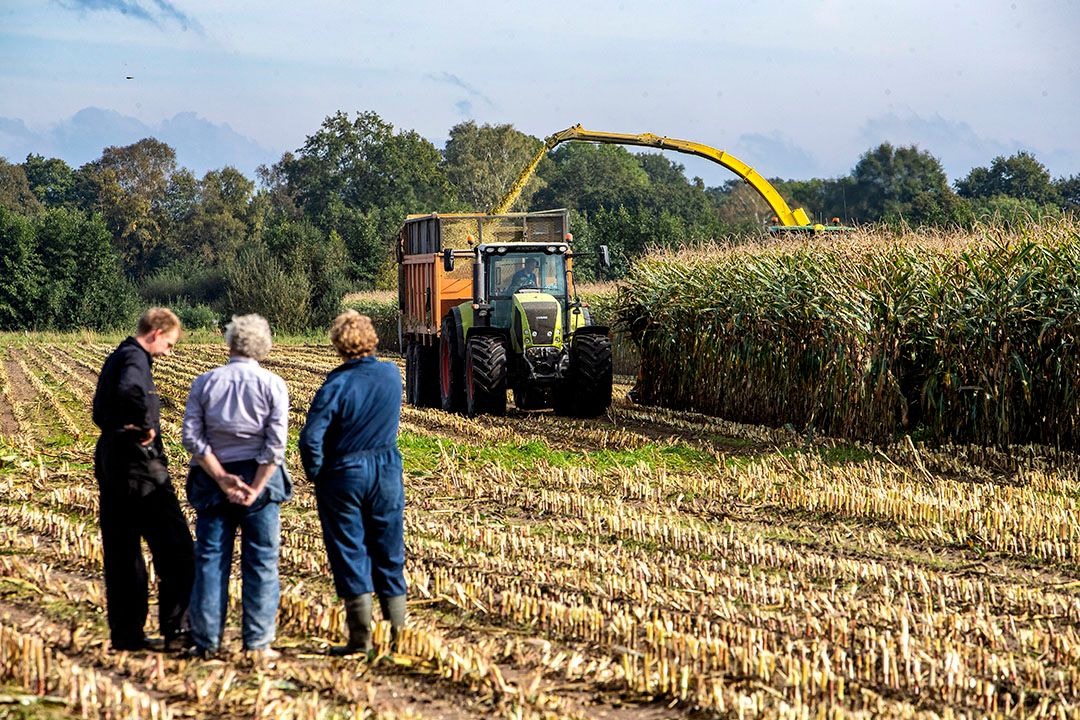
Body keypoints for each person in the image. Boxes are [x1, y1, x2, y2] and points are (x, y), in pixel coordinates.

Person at [181, 314, 291, 659]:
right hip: (261, 480)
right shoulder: (273, 384)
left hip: (215, 482)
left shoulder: (205, 382)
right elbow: (275, 446)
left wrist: (221, 477)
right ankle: (257, 643)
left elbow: (192, 438)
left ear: (230, 342)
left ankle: (206, 642)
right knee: (261, 562)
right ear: (263, 345)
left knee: (211, 560)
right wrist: (256, 487)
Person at [299, 311, 406, 656]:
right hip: (387, 468)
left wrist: (317, 473)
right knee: (389, 547)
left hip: (344, 472)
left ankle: (360, 639)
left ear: (338, 344)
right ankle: (399, 636)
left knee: (349, 550)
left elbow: (311, 438)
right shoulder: (392, 374)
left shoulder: (336, 384)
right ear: (371, 338)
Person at [92, 307, 195, 652]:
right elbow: (131, 391)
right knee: (176, 548)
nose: (169, 352)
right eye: (169, 343)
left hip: (110, 456)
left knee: (122, 551)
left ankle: (126, 634)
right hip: (137, 463)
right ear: (155, 333)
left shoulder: (116, 356)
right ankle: (178, 631)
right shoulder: (135, 360)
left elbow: (99, 410)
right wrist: (145, 425)